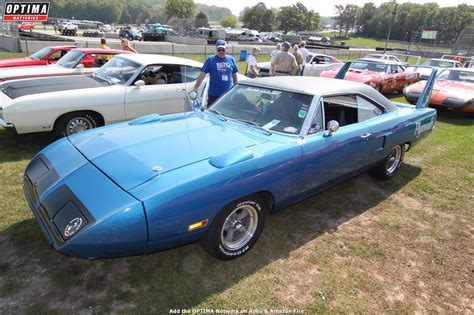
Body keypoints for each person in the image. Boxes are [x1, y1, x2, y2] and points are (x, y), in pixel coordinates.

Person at [192, 39, 239, 107]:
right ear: (216, 50)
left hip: (227, 94)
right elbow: (202, 74)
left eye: (223, 50)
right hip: (214, 93)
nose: (221, 52)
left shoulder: (231, 59)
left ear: (226, 49)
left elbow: (234, 74)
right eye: (219, 50)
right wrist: (195, 88)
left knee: (225, 112)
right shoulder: (211, 60)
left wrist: (235, 87)